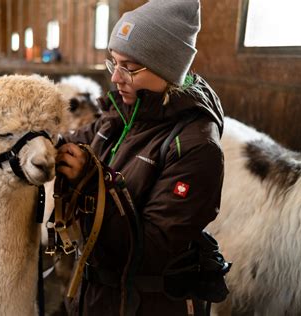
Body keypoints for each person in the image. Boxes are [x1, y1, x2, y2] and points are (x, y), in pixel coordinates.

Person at [55, 0, 225, 315]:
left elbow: (151, 250)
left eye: (129, 68)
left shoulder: (195, 147)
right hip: (96, 297)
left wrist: (93, 185)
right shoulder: (120, 112)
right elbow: (73, 143)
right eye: (113, 63)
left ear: (168, 67)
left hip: (147, 304)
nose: (116, 78)